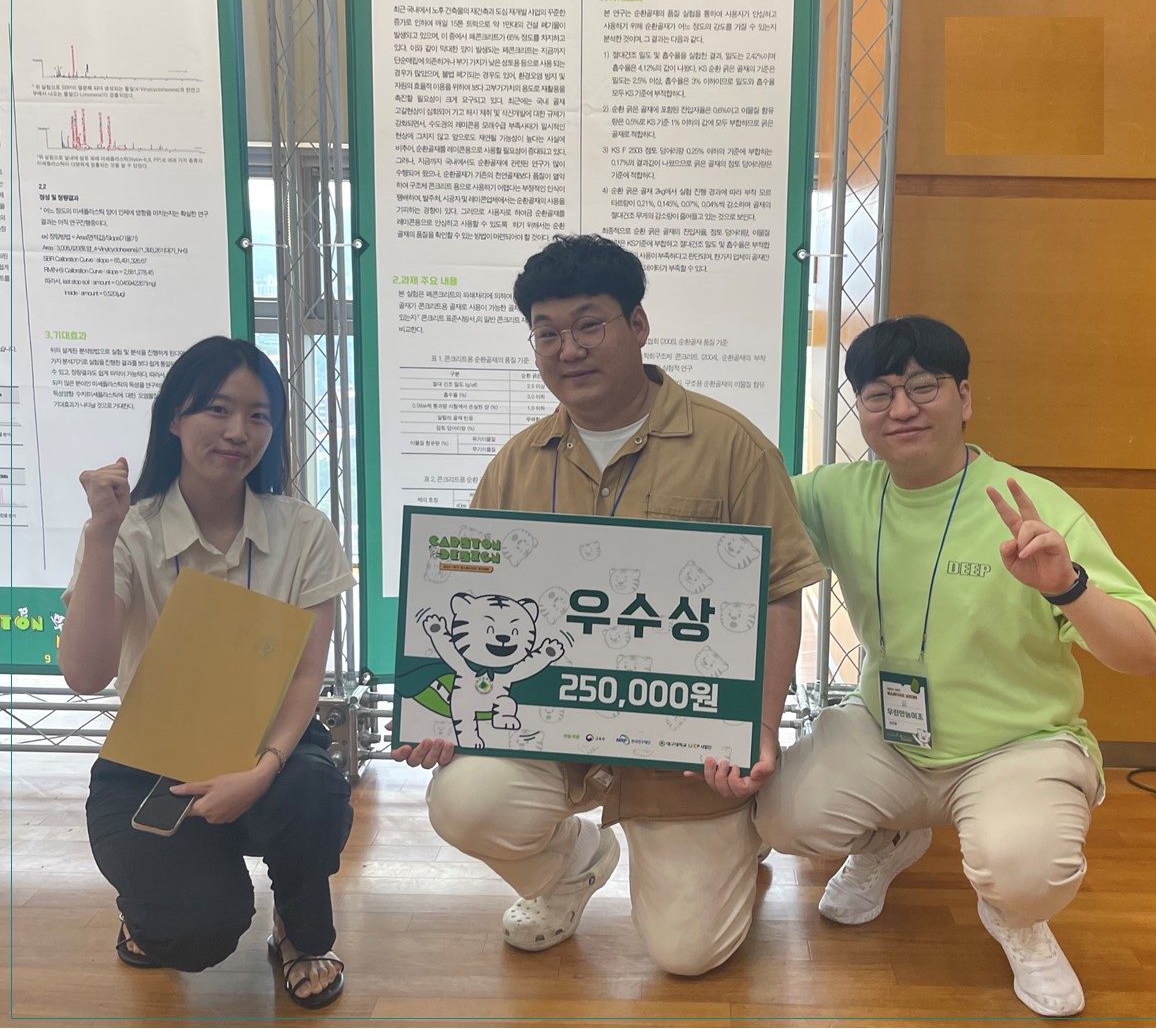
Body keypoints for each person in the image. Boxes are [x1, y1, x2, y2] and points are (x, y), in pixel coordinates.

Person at [395, 234, 825, 975]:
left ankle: (738, 838)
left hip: (683, 753)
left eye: (589, 324)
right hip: (551, 735)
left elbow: (778, 592)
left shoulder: (731, 446)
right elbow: (467, 600)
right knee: (464, 801)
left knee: (688, 955)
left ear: (638, 324)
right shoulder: (516, 463)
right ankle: (571, 867)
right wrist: (436, 718)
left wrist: (757, 725)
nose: (569, 349)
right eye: (547, 332)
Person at [754, 315, 1156, 1018]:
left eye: (924, 386)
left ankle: (1018, 919)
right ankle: (891, 837)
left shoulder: (1031, 506)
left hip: (1017, 743)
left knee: (1025, 871)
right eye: (879, 393)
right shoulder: (833, 493)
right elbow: (741, 520)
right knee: (783, 818)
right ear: (860, 411)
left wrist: (1067, 587)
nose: (902, 408)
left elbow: (1146, 653)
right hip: (888, 733)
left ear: (965, 397)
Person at [60, 337, 356, 1009]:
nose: (237, 431)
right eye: (217, 409)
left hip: (269, 744)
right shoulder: (129, 530)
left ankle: (301, 934)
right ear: (174, 417)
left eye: (258, 415)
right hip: (151, 757)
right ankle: (152, 907)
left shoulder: (305, 531)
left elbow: (306, 676)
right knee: (195, 932)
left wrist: (263, 769)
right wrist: (100, 534)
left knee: (313, 789)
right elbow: (84, 673)